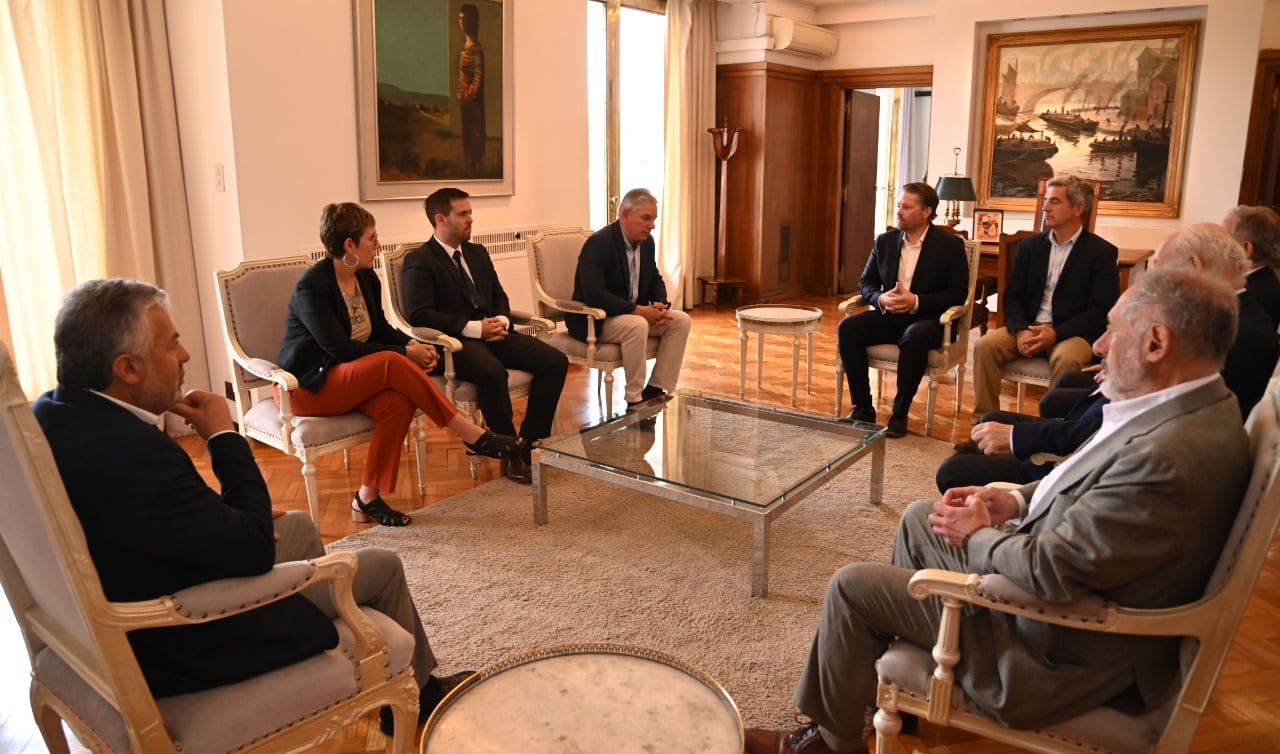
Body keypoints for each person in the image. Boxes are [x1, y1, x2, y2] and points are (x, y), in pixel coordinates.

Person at [746, 267, 1251, 754]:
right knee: (922, 516)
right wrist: (1011, 499)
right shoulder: (1189, 408)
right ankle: (898, 695)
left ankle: (829, 745)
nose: (1097, 346)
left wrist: (980, 533)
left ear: (1157, 344)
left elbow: (1053, 572)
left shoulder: (1168, 457)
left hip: (1055, 649)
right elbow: (1087, 481)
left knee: (851, 587)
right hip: (1059, 601)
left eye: (1112, 331)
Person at [32, 278, 471, 736]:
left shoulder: (51, 416)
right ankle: (417, 695)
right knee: (382, 564)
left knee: (298, 525)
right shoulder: (136, 450)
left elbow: (148, 517)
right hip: (195, 636)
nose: (184, 356)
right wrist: (224, 436)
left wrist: (229, 516)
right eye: (172, 344)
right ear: (128, 367)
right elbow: (254, 550)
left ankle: (361, 672)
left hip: (134, 595)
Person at [277, 202, 518, 527]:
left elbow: (379, 330)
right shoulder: (313, 287)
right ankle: (469, 432)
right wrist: (404, 354)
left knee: (396, 401)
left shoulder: (365, 278)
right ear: (349, 244)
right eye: (372, 238)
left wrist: (412, 345)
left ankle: (366, 498)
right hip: (305, 388)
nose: (378, 245)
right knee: (392, 361)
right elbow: (341, 349)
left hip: (348, 378)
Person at [402, 188, 568, 483]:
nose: (471, 219)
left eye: (470, 213)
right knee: (492, 372)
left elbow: (499, 296)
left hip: (494, 333)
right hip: (455, 343)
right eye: (463, 214)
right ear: (441, 219)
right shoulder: (421, 260)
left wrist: (502, 320)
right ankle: (508, 454)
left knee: (555, 360)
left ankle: (529, 443)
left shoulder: (477, 252)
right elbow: (420, 315)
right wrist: (475, 328)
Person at [971, 175, 1119, 420]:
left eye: (1055, 202)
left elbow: (1100, 310)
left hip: (1072, 333)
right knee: (985, 346)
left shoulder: (1101, 252)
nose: (1045, 207)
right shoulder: (1030, 246)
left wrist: (1056, 333)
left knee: (1067, 359)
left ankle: (1049, 430)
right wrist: (1020, 331)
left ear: (1077, 208)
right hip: (1028, 326)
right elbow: (1013, 296)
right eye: (1045, 201)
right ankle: (983, 423)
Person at [836, 182, 968, 438]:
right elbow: (866, 283)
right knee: (848, 328)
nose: (899, 211)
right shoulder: (885, 241)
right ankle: (863, 407)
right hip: (889, 315)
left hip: (928, 319)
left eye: (906, 207)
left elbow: (957, 293)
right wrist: (881, 299)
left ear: (926, 211)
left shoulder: (950, 245)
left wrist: (916, 301)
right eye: (899, 206)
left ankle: (899, 414)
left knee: (915, 336)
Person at [569, 187, 692, 410]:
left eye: (654, 219)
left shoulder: (647, 242)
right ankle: (634, 398)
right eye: (646, 218)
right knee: (636, 324)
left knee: (681, 320)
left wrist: (659, 303)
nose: (652, 225)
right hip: (596, 319)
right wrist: (639, 311)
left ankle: (656, 387)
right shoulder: (599, 243)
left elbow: (655, 277)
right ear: (626, 214)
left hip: (631, 313)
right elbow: (594, 295)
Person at [1149, 222, 1279, 417]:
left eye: (1161, 266)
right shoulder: (1227, 315)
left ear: (1195, 264)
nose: (1157, 279)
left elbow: (1180, 408)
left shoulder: (1240, 333)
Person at [936, 384, 1106, 492]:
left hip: (1064, 462)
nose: (1098, 347)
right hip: (1071, 424)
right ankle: (988, 466)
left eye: (1113, 332)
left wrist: (1014, 436)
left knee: (951, 471)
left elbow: (1094, 432)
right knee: (991, 418)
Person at [1222, 204, 1280, 328]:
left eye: (1223, 239)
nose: (1217, 245)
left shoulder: (1249, 297)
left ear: (1246, 248)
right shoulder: (1266, 279)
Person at [457, 4, 485, 176]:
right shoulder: (467, 45)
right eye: (459, 18)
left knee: (474, 139)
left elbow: (478, 78)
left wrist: (467, 96)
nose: (461, 22)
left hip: (473, 106)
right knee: (467, 140)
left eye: (464, 18)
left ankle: (474, 170)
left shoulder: (475, 49)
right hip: (466, 104)